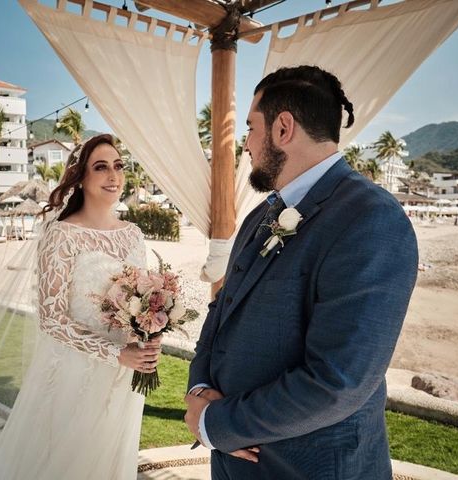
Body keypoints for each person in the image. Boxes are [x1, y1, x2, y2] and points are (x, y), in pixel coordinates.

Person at [185, 66, 418, 480]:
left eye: (251, 128)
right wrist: (200, 389)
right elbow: (221, 311)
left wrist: (216, 424)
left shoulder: (372, 219)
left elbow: (338, 381)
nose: (247, 145)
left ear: (283, 128)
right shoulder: (260, 215)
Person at [0, 134, 161, 479]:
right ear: (81, 177)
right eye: (101, 167)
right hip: (75, 371)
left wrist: (152, 338)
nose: (114, 175)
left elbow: (145, 301)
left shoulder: (134, 233)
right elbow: (51, 319)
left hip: (125, 373)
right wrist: (114, 354)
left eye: (118, 166)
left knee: (111, 458)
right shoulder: (62, 235)